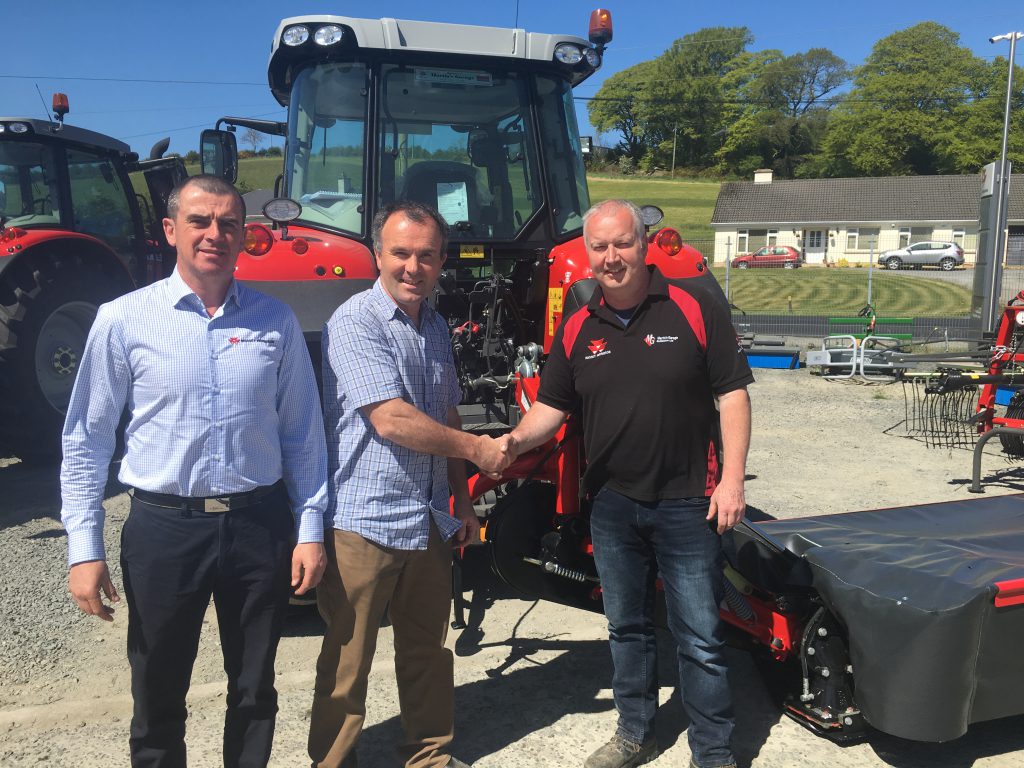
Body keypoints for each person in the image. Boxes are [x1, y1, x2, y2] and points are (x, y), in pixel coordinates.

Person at [60, 174, 328, 768]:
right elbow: (86, 437)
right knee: (157, 692)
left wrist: (310, 528)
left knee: (255, 689)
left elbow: (302, 433)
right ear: (171, 230)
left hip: (258, 526)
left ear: (243, 235)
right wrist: (84, 547)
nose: (215, 234)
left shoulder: (274, 321)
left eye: (229, 224)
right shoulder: (123, 320)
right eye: (201, 221)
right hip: (164, 531)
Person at [505, 199, 753, 768]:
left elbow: (733, 393)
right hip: (613, 505)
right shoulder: (576, 327)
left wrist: (732, 480)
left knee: (701, 639)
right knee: (628, 629)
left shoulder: (692, 308)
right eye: (600, 247)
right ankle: (634, 733)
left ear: (643, 245)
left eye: (622, 244)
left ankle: (713, 752)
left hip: (689, 501)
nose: (612, 257)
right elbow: (551, 407)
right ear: (587, 254)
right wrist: (514, 443)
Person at [309, 201, 512, 768]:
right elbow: (391, 419)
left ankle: (429, 757)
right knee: (347, 663)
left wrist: (464, 502)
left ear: (442, 261)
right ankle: (331, 762)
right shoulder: (356, 320)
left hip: (426, 518)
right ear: (378, 254)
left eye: (426, 255)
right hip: (363, 521)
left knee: (426, 652)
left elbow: (446, 415)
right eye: (401, 253)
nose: (412, 267)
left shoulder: (437, 326)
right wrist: (478, 450)